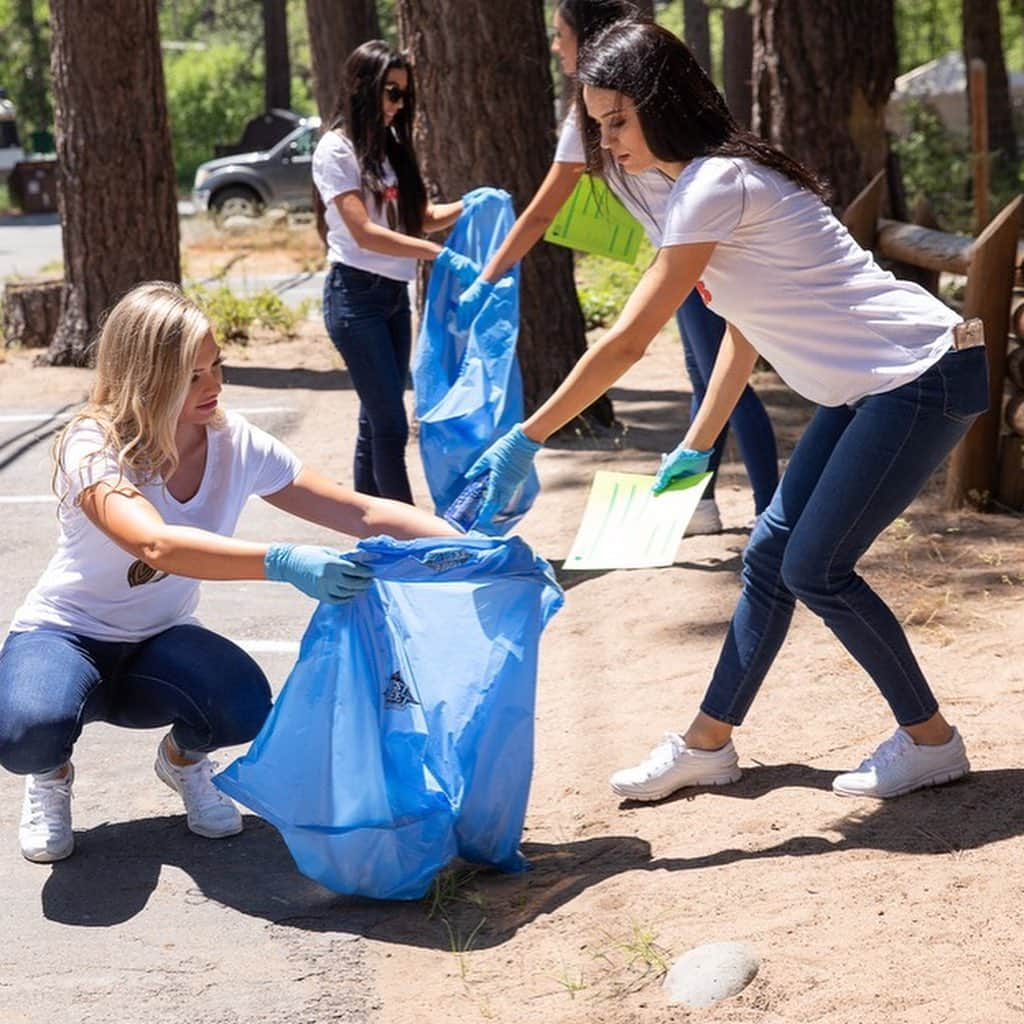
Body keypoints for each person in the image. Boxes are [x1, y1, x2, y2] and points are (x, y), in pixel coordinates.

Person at [465, 22, 989, 802]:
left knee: (818, 567)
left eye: (617, 123)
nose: (607, 145)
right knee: (771, 556)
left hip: (922, 371)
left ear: (660, 104)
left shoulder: (716, 182)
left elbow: (628, 339)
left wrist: (526, 436)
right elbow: (745, 324)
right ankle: (708, 744)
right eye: (597, 127)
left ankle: (932, 742)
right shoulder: (681, 183)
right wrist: (698, 440)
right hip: (871, 384)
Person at [0, 282, 456, 863]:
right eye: (191, 376)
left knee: (242, 705)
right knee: (26, 732)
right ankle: (51, 771)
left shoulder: (233, 439)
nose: (213, 386)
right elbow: (155, 544)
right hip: (66, 634)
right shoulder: (93, 443)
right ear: (144, 375)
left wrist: (466, 545)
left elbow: (356, 509)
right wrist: (283, 561)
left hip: (158, 640)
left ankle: (183, 763)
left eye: (217, 365)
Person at [461, 0, 777, 532]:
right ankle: (702, 502)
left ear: (585, 40)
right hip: (682, 256)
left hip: (699, 258)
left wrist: (487, 278)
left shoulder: (612, 117)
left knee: (727, 375)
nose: (555, 47)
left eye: (560, 36)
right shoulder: (606, 112)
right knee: (706, 373)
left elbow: (541, 212)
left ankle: (772, 514)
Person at [312, 40, 477, 505]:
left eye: (404, 94)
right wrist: (438, 255)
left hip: (392, 298)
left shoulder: (389, 148)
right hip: (355, 298)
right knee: (390, 424)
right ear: (363, 87)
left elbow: (416, 216)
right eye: (390, 92)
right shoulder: (336, 149)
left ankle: (372, 531)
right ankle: (412, 536)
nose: (397, 104)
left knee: (375, 420)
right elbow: (364, 233)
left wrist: (469, 206)